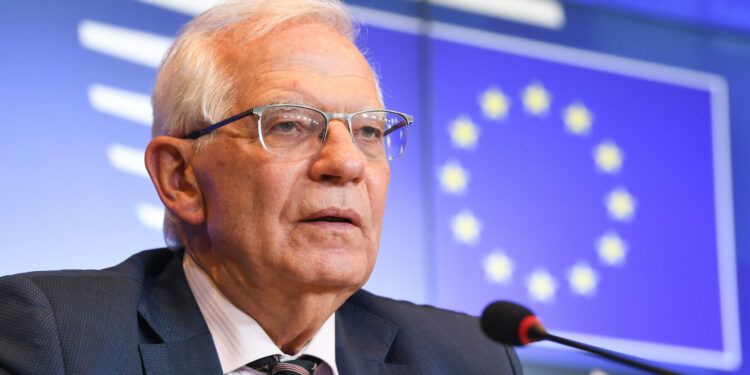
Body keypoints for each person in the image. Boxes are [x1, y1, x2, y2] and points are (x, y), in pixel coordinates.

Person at [0, 0, 522, 374]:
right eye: (289, 124)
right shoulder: (56, 340)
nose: (345, 163)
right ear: (180, 179)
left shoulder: (470, 358)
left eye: (367, 131)